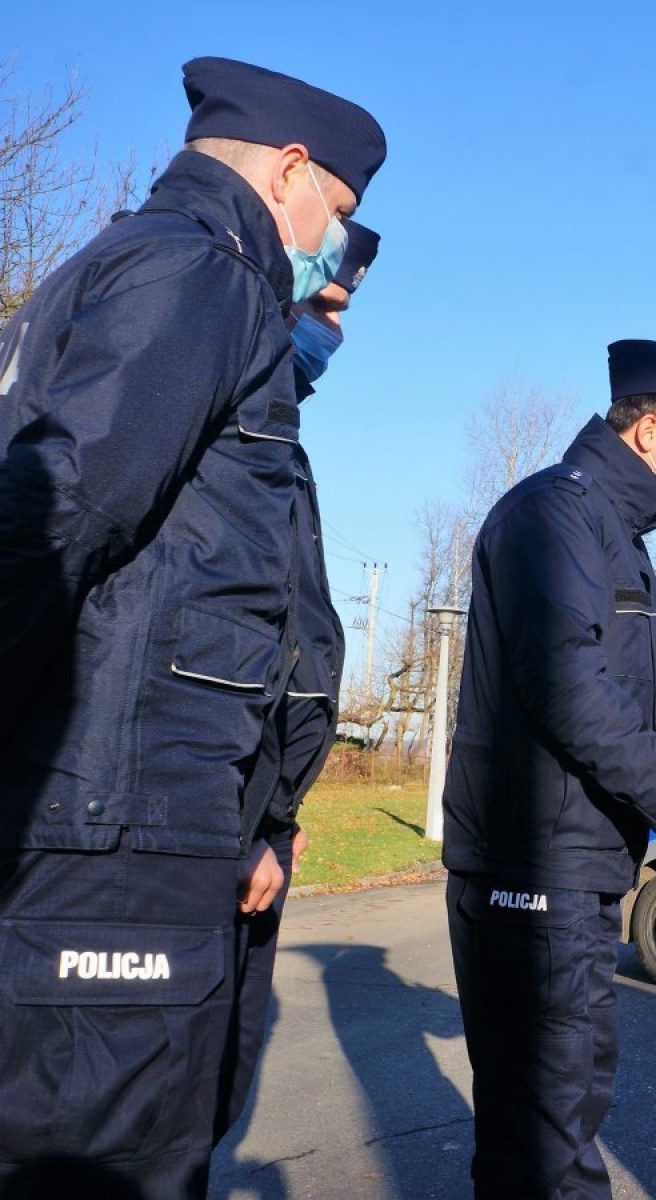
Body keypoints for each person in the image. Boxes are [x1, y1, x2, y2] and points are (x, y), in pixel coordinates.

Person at [0, 57, 385, 1198]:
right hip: (117, 828)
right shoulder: (205, 275)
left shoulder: (125, 263)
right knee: (111, 1164)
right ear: (289, 172)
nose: (333, 250)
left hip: (117, 818)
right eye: (338, 213)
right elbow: (58, 520)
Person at [443, 339, 656, 1198]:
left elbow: (622, 694)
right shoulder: (553, 516)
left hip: (577, 869)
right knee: (546, 1138)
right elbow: (567, 688)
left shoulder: (616, 538)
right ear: (648, 431)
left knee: (559, 1116)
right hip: (531, 868)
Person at [214, 221, 382, 1144]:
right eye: (323, 305)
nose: (334, 332)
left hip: (255, 829)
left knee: (210, 1099)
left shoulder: (280, 441)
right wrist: (241, 824)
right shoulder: (220, 425)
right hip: (213, 833)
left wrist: (277, 812)